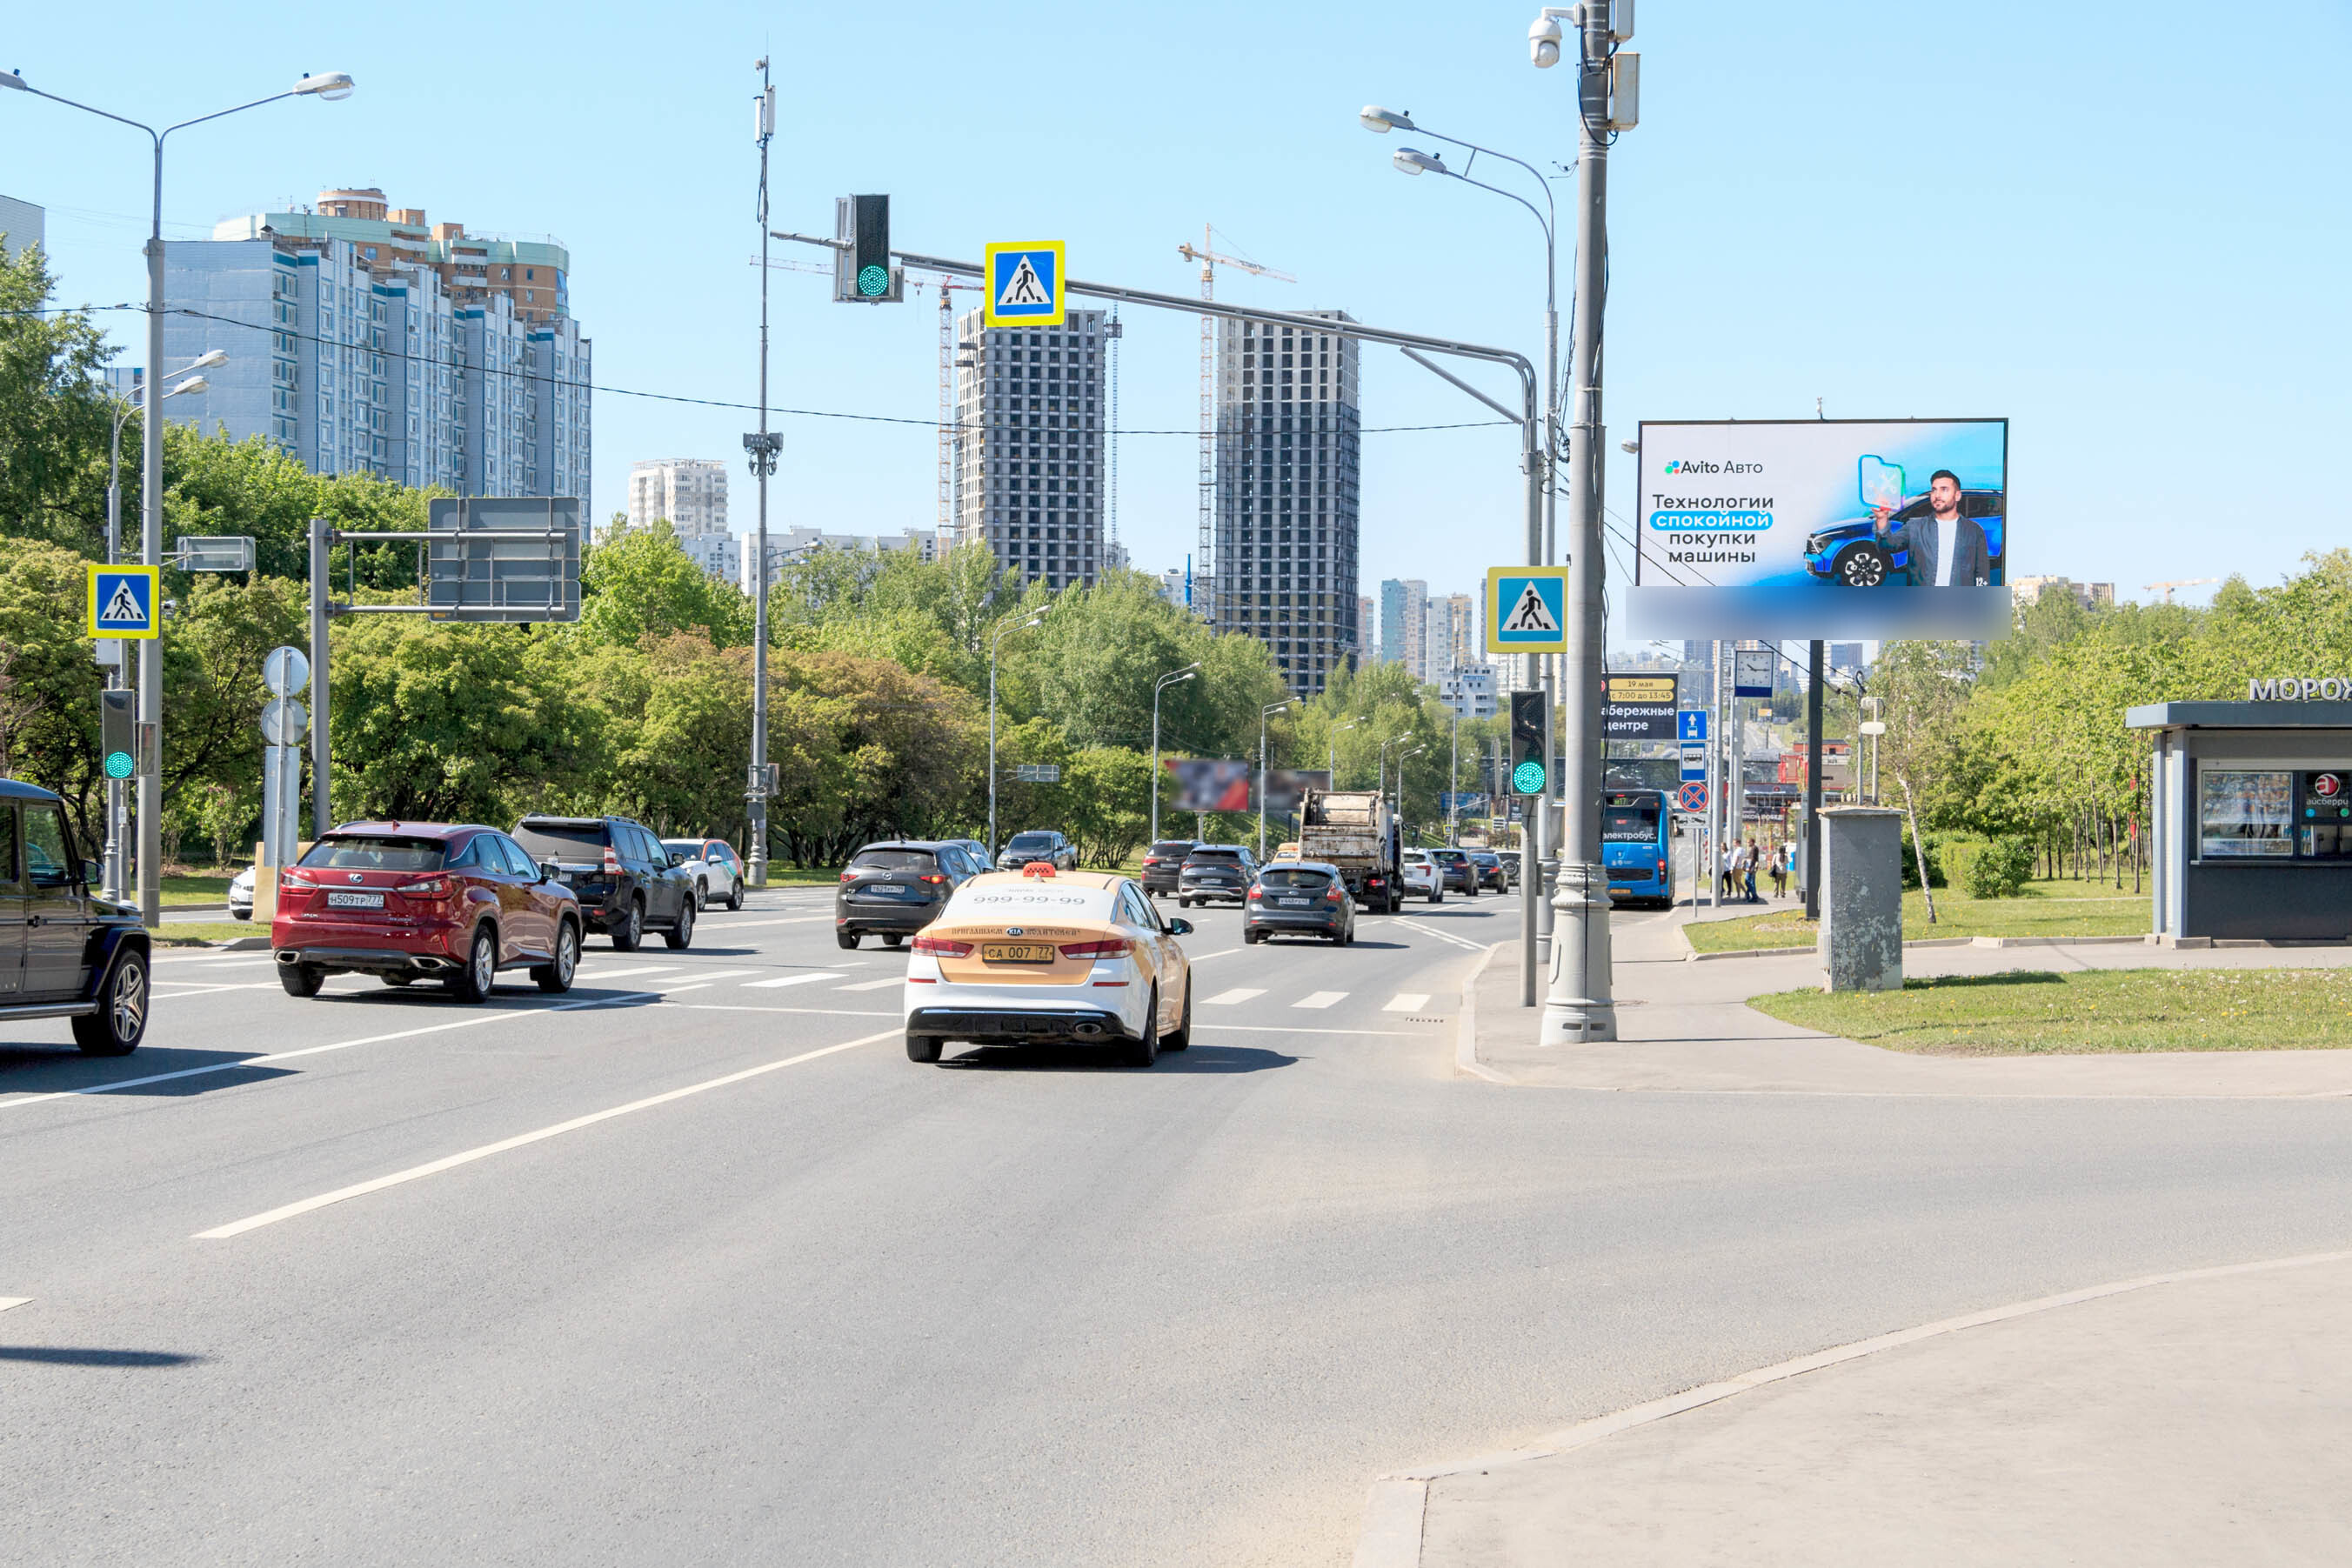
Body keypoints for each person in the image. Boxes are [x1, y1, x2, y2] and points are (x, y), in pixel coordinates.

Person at [1873, 469, 1989, 588]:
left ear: (1957, 495)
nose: (1937, 495)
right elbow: (1886, 547)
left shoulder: (1974, 531)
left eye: (1944, 489)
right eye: (1934, 490)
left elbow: (1982, 574)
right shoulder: (1915, 527)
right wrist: (1882, 520)